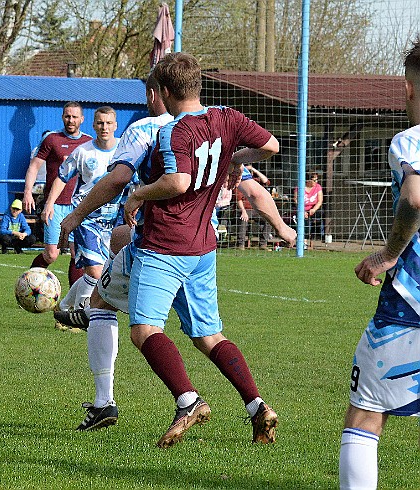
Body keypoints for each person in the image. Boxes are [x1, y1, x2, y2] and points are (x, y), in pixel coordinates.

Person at [56, 71, 296, 434]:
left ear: (160, 92)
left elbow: (138, 180)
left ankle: (184, 400)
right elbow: (271, 147)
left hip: (162, 245)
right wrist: (234, 158)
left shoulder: (153, 131)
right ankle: (256, 405)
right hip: (203, 246)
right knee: (208, 336)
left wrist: (95, 208)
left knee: (142, 330)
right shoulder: (226, 117)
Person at [339, 37, 420, 490]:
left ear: (407, 88)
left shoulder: (411, 141)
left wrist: (387, 255)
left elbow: (414, 197)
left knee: (366, 413)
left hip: (410, 304)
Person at [42, 106, 120, 313]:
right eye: (100, 123)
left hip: (114, 219)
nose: (104, 127)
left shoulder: (124, 150)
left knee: (104, 273)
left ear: (115, 125)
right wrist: (50, 203)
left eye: (109, 123)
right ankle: (81, 315)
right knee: (95, 271)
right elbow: (61, 177)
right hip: (87, 217)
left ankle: (65, 307)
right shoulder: (83, 151)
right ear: (93, 125)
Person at [22, 102, 92, 287]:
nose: (71, 120)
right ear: (62, 117)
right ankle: (29, 286)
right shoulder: (51, 139)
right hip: (55, 204)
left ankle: (73, 301)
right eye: (67, 116)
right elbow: (34, 166)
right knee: (51, 254)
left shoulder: (89, 142)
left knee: (77, 254)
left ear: (82, 119)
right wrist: (28, 192)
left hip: (79, 205)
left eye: (75, 117)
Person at [236, 165, 272, 250]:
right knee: (243, 219)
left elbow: (266, 181)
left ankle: (263, 244)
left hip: (257, 210)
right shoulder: (240, 183)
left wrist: (254, 170)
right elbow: (238, 199)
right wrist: (243, 211)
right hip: (246, 209)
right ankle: (241, 244)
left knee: (269, 220)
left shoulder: (256, 182)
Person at [294, 171, 324, 244]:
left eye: (317, 180)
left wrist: (313, 209)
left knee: (320, 215)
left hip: (314, 209)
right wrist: (302, 211)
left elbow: (320, 201)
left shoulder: (318, 187)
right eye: (314, 180)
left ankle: (320, 236)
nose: (316, 182)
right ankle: (303, 239)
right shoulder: (299, 187)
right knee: (303, 219)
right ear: (308, 180)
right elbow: (295, 200)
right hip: (302, 209)